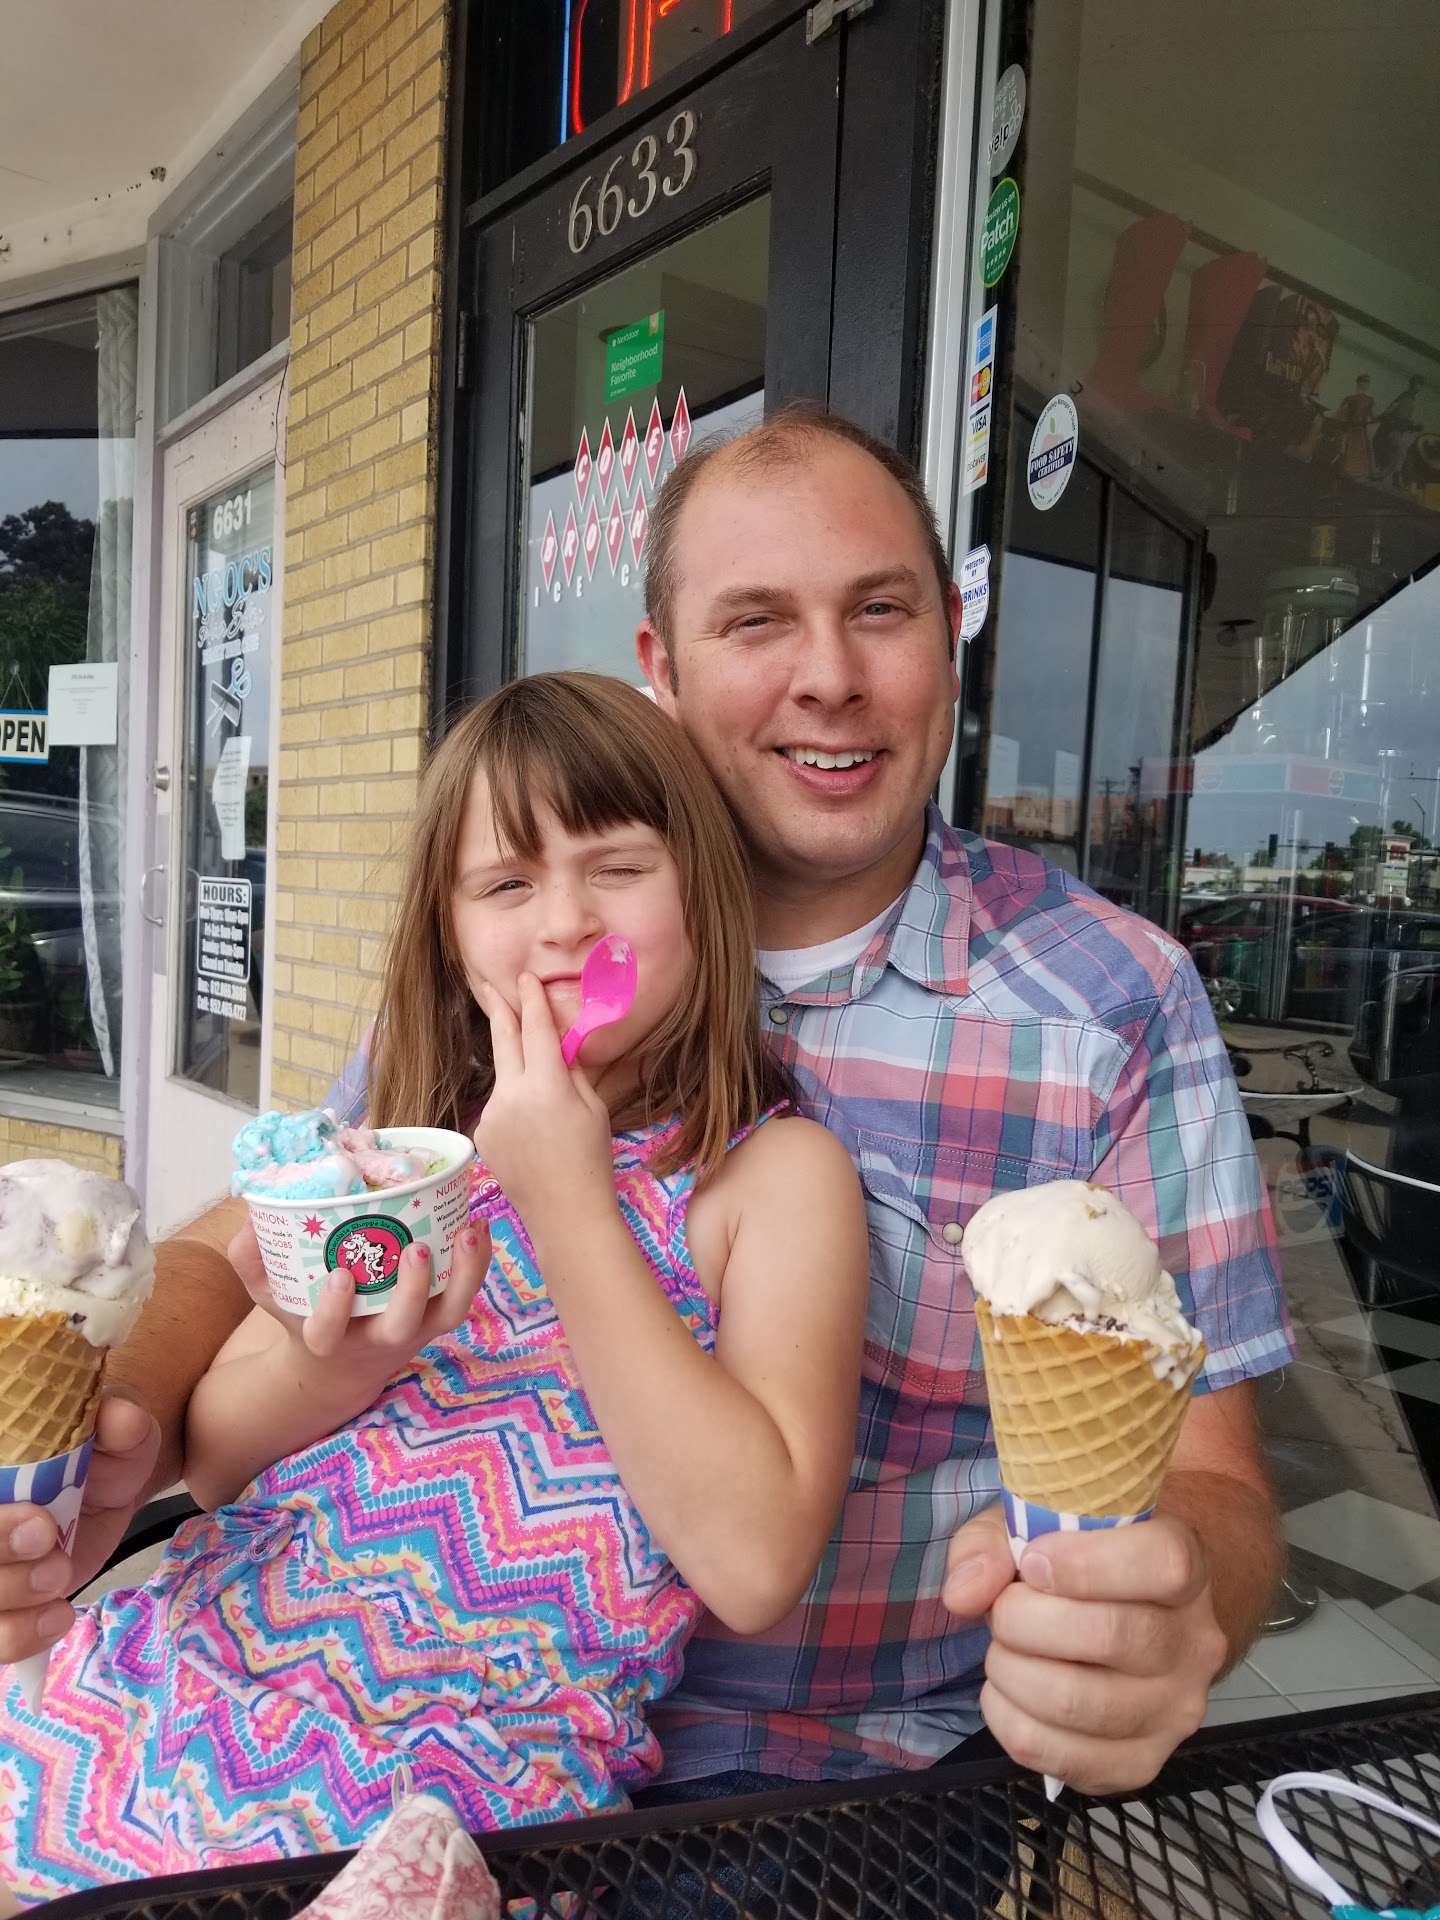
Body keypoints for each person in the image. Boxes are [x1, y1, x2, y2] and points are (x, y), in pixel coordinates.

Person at [0, 405, 1290, 1809]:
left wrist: (1166, 1613)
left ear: (951, 632)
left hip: (812, 1784)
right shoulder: (516, 994)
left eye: (881, 609)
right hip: (324, 1679)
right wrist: (108, 1439)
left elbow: (1213, 1477)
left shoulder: (1108, 1002)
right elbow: (245, 1259)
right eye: (756, 621)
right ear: (663, 670)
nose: (830, 677)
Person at [0, 674, 867, 1903]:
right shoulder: (403, 1155)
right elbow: (222, 1463)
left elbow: (754, 1560)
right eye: (507, 885)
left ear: (706, 894)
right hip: (197, 1663)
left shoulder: (770, 1179)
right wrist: (329, 1367)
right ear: (451, 937)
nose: (565, 921)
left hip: (465, 1771)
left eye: (619, 867)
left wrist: (569, 1202)